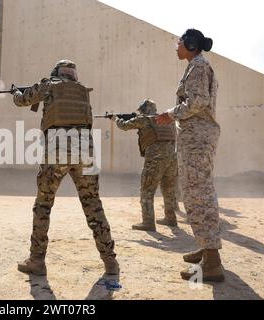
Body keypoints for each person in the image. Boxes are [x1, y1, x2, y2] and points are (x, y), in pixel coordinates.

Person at [12, 60, 119, 276]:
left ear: (56, 72)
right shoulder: (82, 91)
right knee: (93, 206)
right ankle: (110, 262)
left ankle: (36, 261)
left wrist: (16, 92)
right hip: (85, 150)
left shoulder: (48, 84)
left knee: (43, 205)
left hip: (57, 149)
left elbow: (22, 100)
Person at [156, 29, 224, 282]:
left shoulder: (198, 65)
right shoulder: (197, 65)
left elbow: (197, 102)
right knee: (197, 191)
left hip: (197, 138)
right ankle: (206, 248)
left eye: (179, 42)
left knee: (199, 194)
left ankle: (213, 263)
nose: (176, 46)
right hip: (195, 137)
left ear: (191, 44)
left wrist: (170, 113)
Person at [113, 99, 178, 231]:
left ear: (144, 110)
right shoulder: (167, 120)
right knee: (168, 189)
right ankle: (170, 218)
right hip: (172, 158)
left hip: (155, 159)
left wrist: (115, 118)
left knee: (147, 189)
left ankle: (148, 222)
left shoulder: (144, 119)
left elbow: (124, 126)